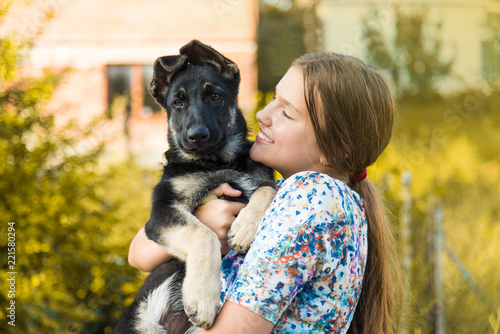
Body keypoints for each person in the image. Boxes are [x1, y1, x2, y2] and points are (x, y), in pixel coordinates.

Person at [128, 52, 401, 334]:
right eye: (274, 99)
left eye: (287, 112)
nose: (262, 115)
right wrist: (204, 220)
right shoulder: (293, 196)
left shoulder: (313, 197)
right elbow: (139, 253)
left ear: (336, 149)